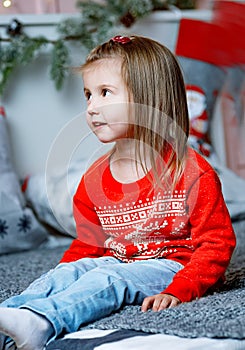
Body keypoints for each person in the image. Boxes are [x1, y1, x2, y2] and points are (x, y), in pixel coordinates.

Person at [0, 35, 236, 350]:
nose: (91, 108)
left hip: (172, 267)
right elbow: (89, 242)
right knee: (73, 271)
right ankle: (14, 313)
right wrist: (67, 272)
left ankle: (42, 323)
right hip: (120, 259)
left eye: (105, 93)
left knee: (110, 282)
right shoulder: (95, 177)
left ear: (148, 99)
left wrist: (181, 289)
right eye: (87, 95)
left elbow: (217, 245)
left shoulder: (192, 172)